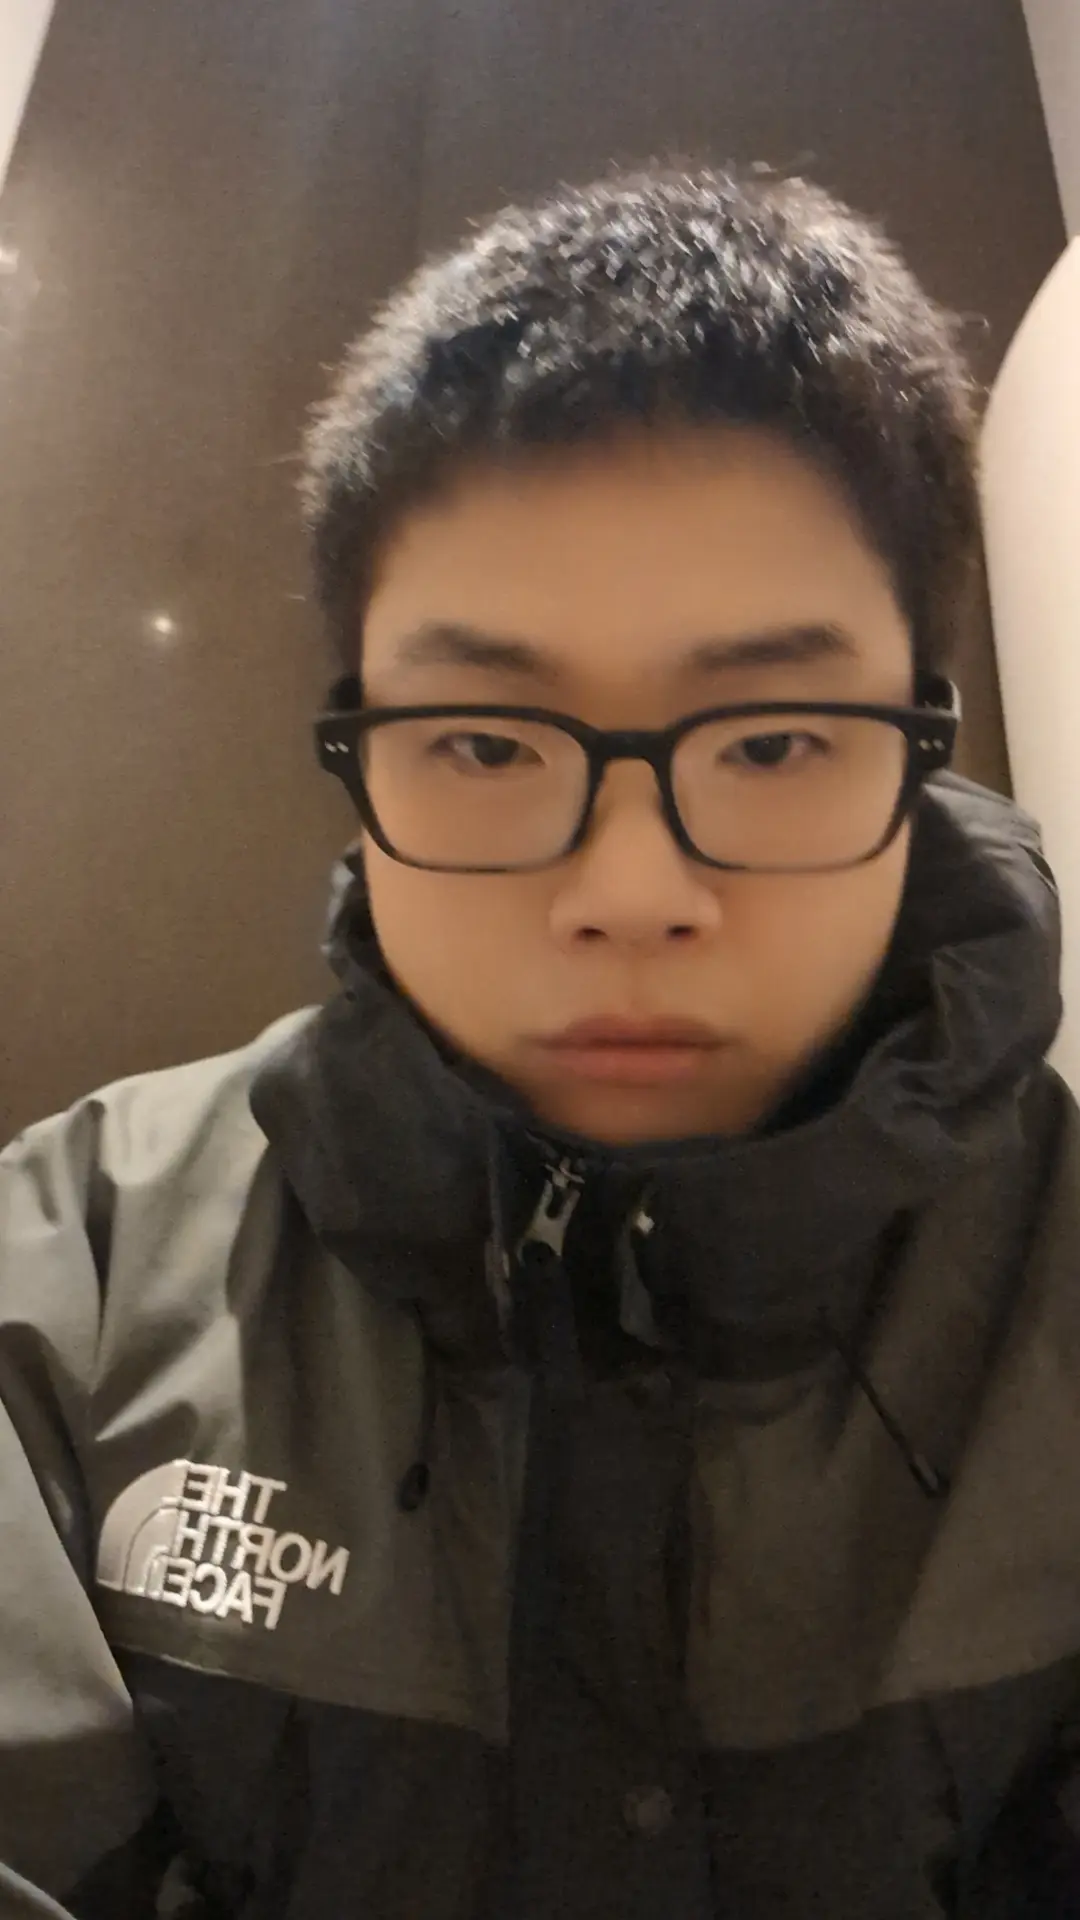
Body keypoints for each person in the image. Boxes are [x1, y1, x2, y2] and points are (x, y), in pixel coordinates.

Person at [0, 162, 1076, 1920]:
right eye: (489, 745)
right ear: (361, 753)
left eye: (775, 741)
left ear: (921, 749)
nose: (629, 894)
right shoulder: (67, 1295)